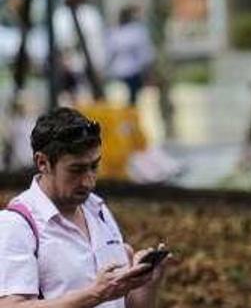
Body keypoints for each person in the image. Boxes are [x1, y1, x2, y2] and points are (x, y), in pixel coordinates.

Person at [0, 107, 171, 307]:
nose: (88, 181)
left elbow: (127, 304)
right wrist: (95, 294)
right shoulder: (16, 224)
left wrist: (147, 284)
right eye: (76, 170)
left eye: (94, 166)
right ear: (42, 162)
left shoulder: (98, 210)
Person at [106, 5, 154, 106]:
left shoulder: (114, 32)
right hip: (132, 71)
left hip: (120, 71)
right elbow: (145, 54)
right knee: (132, 100)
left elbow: (109, 54)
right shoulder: (137, 31)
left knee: (124, 100)